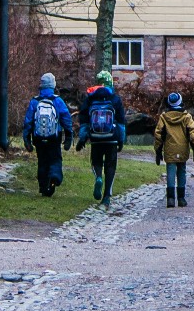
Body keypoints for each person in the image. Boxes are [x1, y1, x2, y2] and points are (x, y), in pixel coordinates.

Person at [74, 70, 127, 208]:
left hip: (96, 137)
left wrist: (82, 139)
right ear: (110, 82)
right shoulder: (115, 99)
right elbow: (121, 122)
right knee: (110, 166)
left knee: (96, 161)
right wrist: (121, 140)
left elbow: (84, 121)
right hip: (112, 138)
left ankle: (98, 177)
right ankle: (106, 197)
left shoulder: (90, 98)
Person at [21, 73, 73, 198]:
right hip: (54, 137)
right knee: (55, 158)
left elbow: (28, 121)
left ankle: (43, 187)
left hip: (38, 138)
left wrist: (26, 139)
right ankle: (54, 176)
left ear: (41, 85)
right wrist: (68, 135)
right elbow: (66, 118)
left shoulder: (35, 101)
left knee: (42, 161)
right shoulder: (57, 101)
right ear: (53, 86)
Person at [153, 92, 194, 208]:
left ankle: (170, 199)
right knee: (182, 171)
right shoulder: (186, 117)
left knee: (170, 171)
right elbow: (193, 134)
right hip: (183, 148)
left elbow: (158, 135)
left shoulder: (164, 117)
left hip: (169, 148)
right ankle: (181, 198)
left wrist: (158, 151)